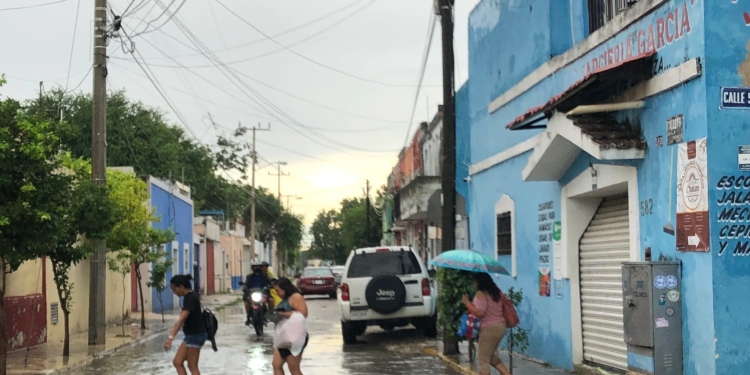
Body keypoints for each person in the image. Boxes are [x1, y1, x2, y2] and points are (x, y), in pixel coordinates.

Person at [462, 272, 512, 375]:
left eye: (475, 282)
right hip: (500, 326)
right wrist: (472, 306)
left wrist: (467, 304)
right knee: (490, 356)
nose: (474, 284)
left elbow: (480, 312)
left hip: (489, 329)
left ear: (480, 282)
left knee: (483, 360)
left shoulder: (481, 293)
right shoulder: (496, 292)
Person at [164, 274, 206, 375]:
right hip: (192, 335)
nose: (173, 292)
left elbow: (181, 319)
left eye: (174, 289)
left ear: (181, 287)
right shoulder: (190, 296)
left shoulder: (190, 298)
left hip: (195, 335)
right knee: (177, 362)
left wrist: (170, 338)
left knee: (192, 367)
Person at [272, 277, 309, 375]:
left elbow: (303, 314)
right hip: (283, 337)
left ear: (285, 288)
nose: (276, 293)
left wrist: (283, 314)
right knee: (276, 365)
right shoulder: (285, 299)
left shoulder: (295, 297)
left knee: (294, 368)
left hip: (294, 338)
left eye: (278, 290)